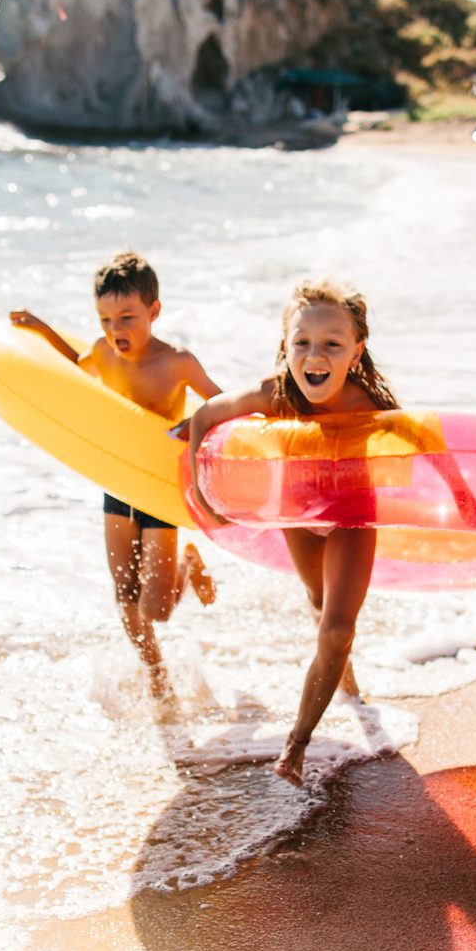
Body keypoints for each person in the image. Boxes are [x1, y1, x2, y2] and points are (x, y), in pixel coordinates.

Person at [182, 278, 399, 784]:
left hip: (350, 516)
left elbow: (432, 452)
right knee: (320, 603)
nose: (314, 355)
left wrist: (467, 507)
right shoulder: (273, 394)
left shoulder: (370, 405)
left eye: (331, 344)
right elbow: (204, 418)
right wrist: (202, 493)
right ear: (286, 346)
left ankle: (296, 744)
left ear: (356, 351)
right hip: (300, 514)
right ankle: (344, 679)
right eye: (301, 342)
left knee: (338, 627)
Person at [11, 250, 219, 695]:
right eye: (105, 319)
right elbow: (72, 369)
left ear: (154, 311)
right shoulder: (104, 352)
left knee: (157, 608)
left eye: (126, 317)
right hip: (119, 481)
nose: (115, 330)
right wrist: (41, 329)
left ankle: (188, 562)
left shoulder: (177, 362)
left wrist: (197, 428)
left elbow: (220, 405)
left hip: (159, 484)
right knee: (124, 591)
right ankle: (157, 674)